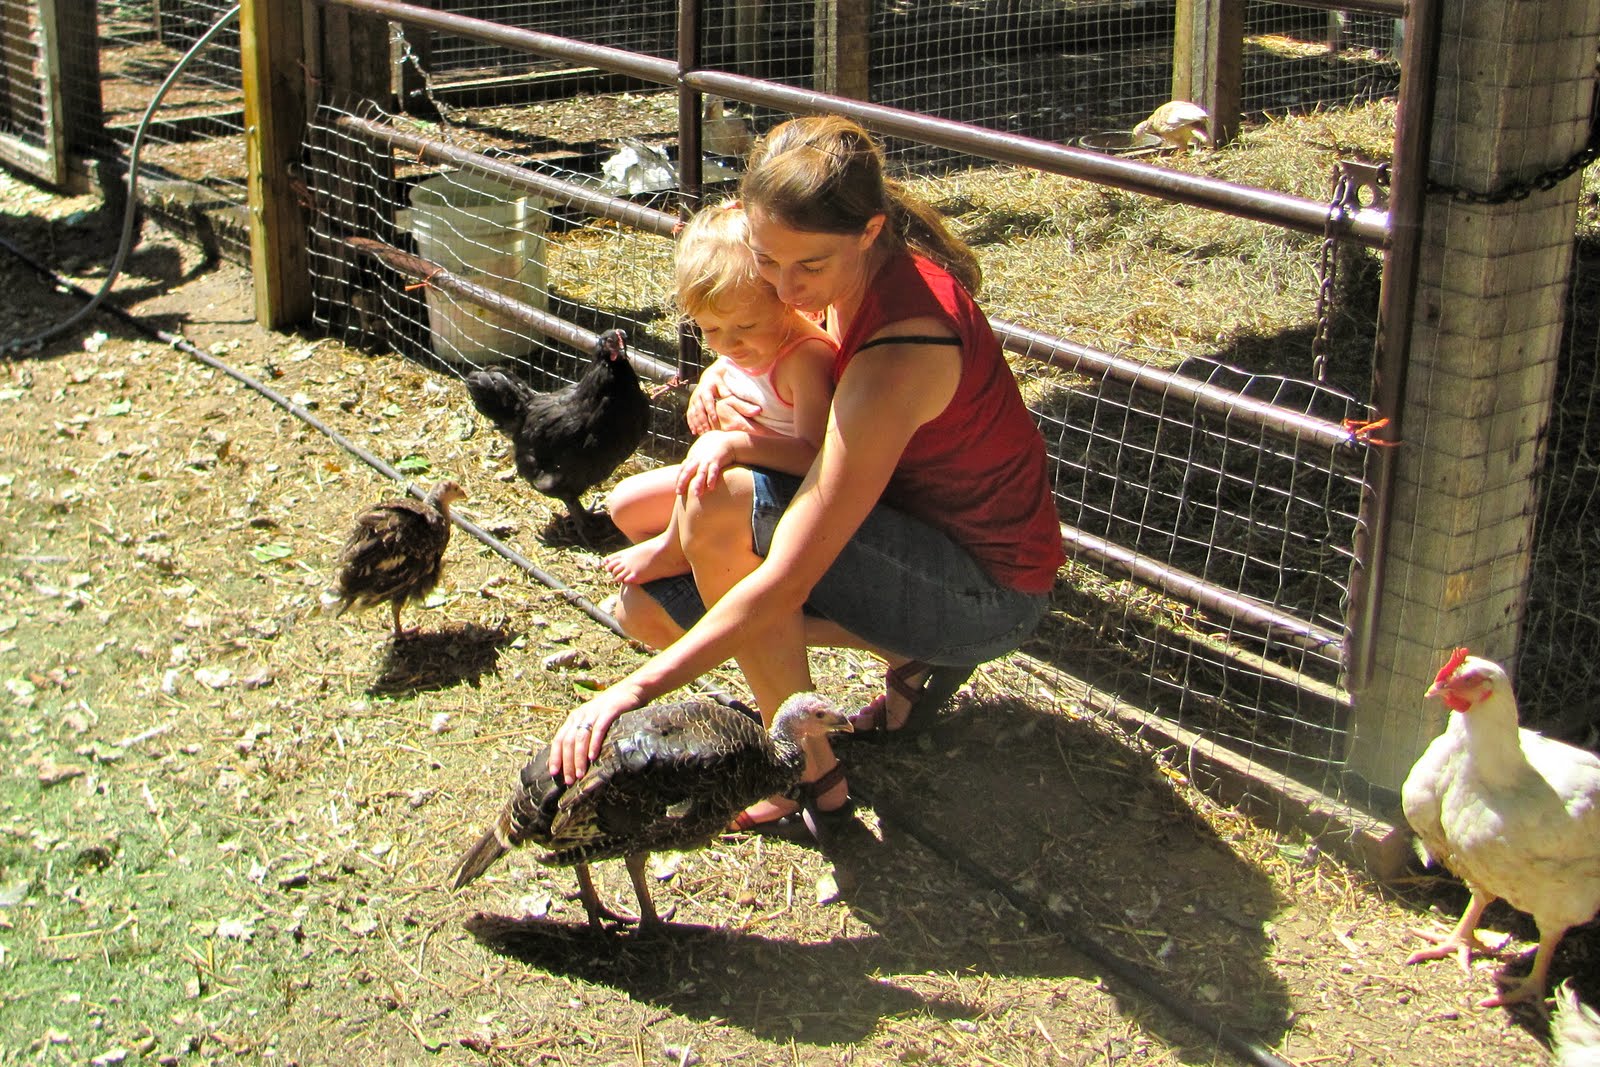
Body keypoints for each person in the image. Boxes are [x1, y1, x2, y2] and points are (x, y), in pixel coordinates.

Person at [550, 115, 1064, 834]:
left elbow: (789, 575)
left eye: (808, 268)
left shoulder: (901, 350)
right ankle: (902, 658)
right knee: (643, 609)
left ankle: (803, 767)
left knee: (722, 505)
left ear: (869, 230)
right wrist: (725, 375)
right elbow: (777, 329)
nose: (787, 288)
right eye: (767, 260)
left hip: (985, 595)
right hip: (905, 534)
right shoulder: (847, 267)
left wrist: (630, 693)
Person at [601, 199, 837, 586]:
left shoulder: (805, 360)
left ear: (784, 297)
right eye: (709, 330)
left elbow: (816, 455)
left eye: (745, 326)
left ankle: (687, 561)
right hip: (739, 478)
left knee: (701, 487)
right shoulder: (756, 341)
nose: (727, 343)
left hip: (786, 494)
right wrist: (711, 376)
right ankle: (699, 570)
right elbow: (733, 360)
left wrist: (732, 444)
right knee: (625, 505)